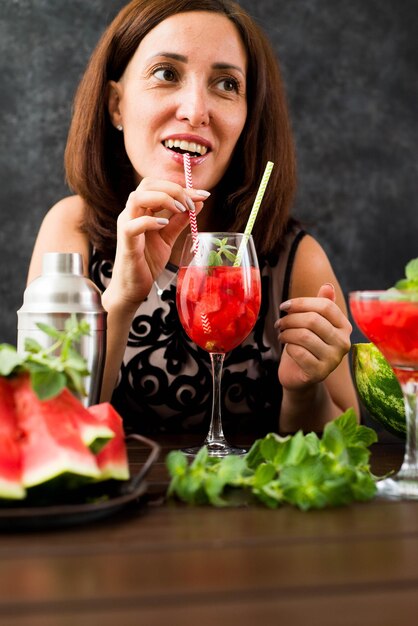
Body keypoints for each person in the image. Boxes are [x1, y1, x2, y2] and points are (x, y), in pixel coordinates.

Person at [27, 0, 359, 438]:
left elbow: (350, 445)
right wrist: (121, 302)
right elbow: (46, 427)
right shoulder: (72, 231)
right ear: (116, 106)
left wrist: (303, 393)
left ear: (246, 118)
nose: (196, 110)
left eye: (225, 84)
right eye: (166, 73)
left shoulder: (292, 260)